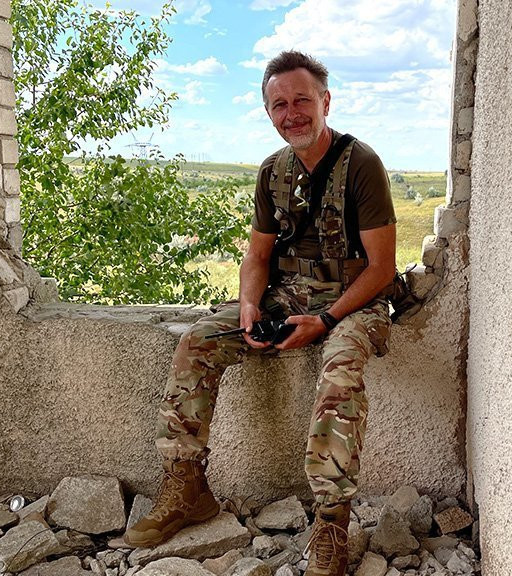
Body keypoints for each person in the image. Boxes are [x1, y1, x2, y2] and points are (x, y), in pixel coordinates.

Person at [123, 51, 397, 576]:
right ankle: (187, 487)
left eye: (301, 100)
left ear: (324, 101)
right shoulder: (273, 171)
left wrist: (328, 320)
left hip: (354, 297)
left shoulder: (361, 163)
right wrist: (249, 305)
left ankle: (332, 522)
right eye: (279, 104)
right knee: (199, 339)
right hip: (287, 293)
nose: (291, 112)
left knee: (340, 373)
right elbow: (258, 256)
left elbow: (381, 268)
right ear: (268, 112)